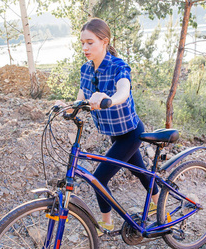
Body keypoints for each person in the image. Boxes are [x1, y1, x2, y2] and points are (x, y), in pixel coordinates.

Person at [59, 18, 159, 234]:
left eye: (90, 42)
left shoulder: (118, 66)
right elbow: (80, 100)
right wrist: (64, 107)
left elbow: (124, 90)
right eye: (82, 43)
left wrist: (109, 99)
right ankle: (159, 204)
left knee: (100, 177)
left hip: (131, 132)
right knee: (140, 171)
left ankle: (107, 222)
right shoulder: (85, 70)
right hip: (113, 133)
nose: (85, 48)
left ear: (104, 42)